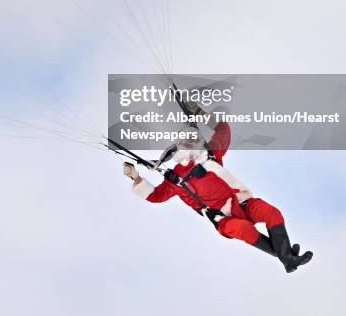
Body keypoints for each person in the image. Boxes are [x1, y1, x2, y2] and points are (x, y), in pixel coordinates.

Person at [123, 110, 313, 273]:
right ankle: (287, 257)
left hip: (242, 203)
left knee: (271, 212)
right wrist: (136, 178)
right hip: (223, 219)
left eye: (196, 138)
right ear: (180, 145)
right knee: (244, 229)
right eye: (189, 140)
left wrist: (200, 113)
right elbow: (155, 196)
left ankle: (287, 258)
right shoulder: (175, 177)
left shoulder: (211, 153)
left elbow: (223, 129)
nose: (194, 141)